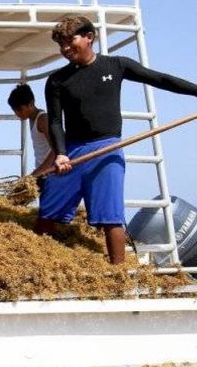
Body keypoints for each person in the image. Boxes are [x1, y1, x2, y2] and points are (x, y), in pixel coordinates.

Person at [40, 14, 197, 264]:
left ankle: (118, 273)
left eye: (70, 41)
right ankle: (39, 263)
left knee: (110, 217)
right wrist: (60, 153)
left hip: (107, 148)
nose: (65, 48)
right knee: (47, 212)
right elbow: (56, 122)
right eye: (61, 44)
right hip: (72, 152)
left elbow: (161, 79)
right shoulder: (56, 81)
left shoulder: (116, 65)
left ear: (89, 37)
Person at [7, 83, 55, 179]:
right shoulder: (31, 118)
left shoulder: (42, 119)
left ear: (30, 104)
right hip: (42, 174)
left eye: (19, 109)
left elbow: (56, 150)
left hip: (50, 174)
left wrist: (38, 172)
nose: (17, 114)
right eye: (14, 110)